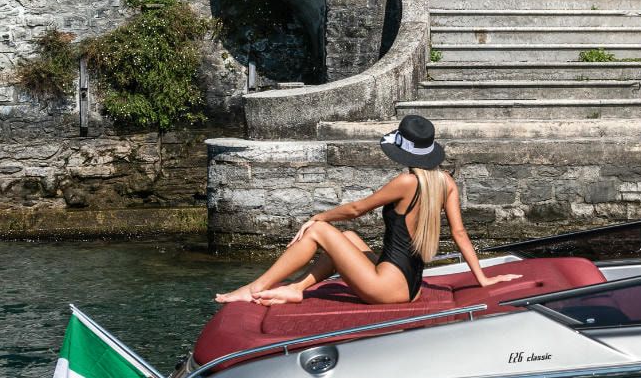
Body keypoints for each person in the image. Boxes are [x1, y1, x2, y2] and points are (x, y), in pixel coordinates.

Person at [214, 115, 513, 305]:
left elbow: (357, 208)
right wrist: (483, 278)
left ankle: (253, 288)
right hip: (411, 288)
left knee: (321, 232)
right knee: (350, 238)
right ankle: (297, 288)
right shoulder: (445, 181)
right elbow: (460, 233)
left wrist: (317, 218)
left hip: (386, 289)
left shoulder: (406, 182)